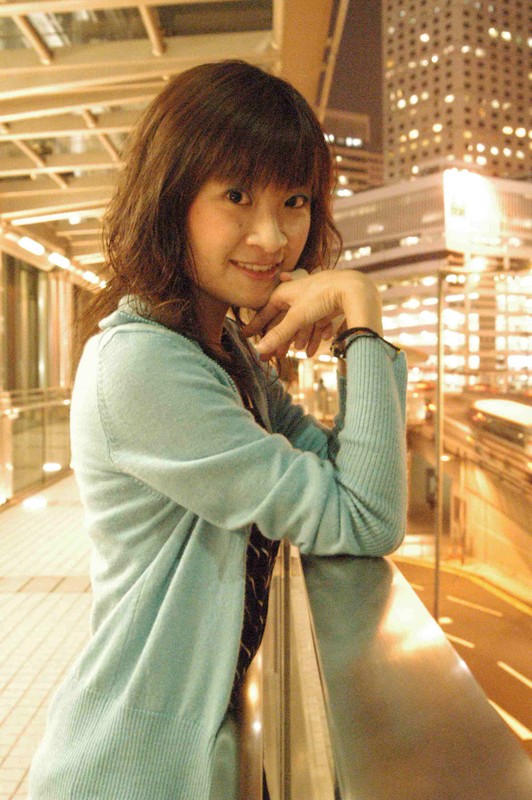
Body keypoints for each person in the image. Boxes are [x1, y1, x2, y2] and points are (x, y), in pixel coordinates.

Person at [29, 60, 407, 800]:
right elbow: (367, 517)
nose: (272, 235)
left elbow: (346, 477)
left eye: (294, 200)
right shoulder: (143, 364)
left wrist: (352, 322)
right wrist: (362, 316)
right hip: (126, 772)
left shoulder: (224, 351)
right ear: (171, 199)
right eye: (236, 195)